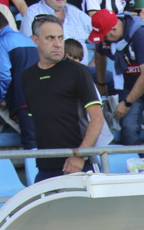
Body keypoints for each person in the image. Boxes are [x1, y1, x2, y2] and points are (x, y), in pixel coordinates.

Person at [23, 16, 105, 182]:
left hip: (79, 165)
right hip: (45, 167)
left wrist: (80, 156)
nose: (57, 43)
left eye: (60, 37)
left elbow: (97, 119)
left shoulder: (78, 71)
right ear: (35, 40)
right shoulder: (27, 77)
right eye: (50, 38)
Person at [90, 9, 144, 146]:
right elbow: (99, 54)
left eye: (104, 36)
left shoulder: (142, 35)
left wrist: (127, 103)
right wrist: (101, 83)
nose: (103, 39)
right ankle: (135, 162)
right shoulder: (105, 34)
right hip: (129, 85)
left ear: (114, 29)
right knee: (128, 127)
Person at [22, 0, 93, 45]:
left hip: (83, 67)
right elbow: (30, 47)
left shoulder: (78, 14)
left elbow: (100, 37)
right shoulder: (32, 13)